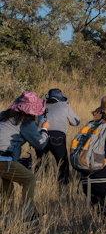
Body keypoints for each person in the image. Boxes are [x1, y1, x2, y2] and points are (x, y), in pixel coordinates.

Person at [0, 92, 50, 220]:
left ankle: (4, 216)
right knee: (29, 179)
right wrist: (44, 129)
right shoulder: (26, 123)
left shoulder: (3, 116)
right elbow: (40, 144)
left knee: (7, 186)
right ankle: (29, 215)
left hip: (4, 160)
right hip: (5, 160)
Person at [35, 88, 80, 185]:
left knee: (41, 162)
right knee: (62, 162)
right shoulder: (64, 105)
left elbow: (36, 122)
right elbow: (75, 122)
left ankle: (40, 184)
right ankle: (63, 186)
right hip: (57, 136)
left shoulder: (41, 106)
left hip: (40, 135)